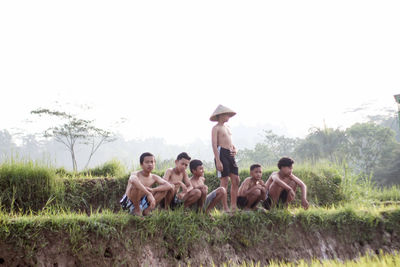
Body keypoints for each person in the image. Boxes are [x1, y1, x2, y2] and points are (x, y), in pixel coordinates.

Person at [120, 152, 174, 216]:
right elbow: (133, 179)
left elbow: (168, 185)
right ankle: (137, 211)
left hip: (142, 202)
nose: (150, 164)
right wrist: (148, 193)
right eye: (147, 162)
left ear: (154, 164)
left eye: (152, 162)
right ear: (141, 164)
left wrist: (153, 190)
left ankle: (147, 211)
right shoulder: (135, 174)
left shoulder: (154, 177)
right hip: (128, 202)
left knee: (164, 189)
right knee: (135, 186)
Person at [210, 104, 240, 211]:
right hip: (221, 153)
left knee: (236, 179)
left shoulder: (228, 127)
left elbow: (231, 143)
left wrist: (235, 150)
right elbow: (214, 144)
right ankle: (225, 207)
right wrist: (218, 160)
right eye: (227, 115)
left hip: (230, 153)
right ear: (221, 115)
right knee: (225, 180)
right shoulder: (216, 128)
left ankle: (233, 205)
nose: (228, 117)